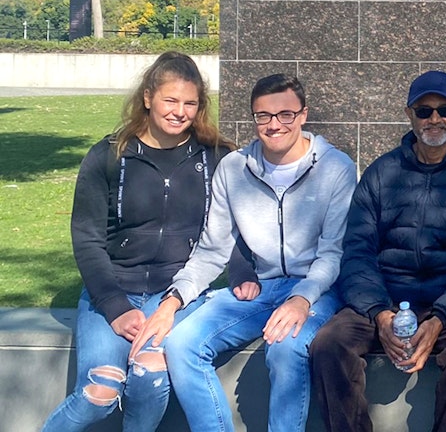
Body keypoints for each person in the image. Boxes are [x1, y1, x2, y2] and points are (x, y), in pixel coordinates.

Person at [129, 73, 357, 432]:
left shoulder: (335, 167)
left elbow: (333, 253)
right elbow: (211, 249)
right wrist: (172, 303)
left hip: (319, 290)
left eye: (285, 114)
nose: (274, 124)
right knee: (181, 343)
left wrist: (301, 299)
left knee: (285, 346)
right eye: (263, 116)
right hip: (264, 287)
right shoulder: (234, 168)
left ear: (303, 115)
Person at [43, 51, 236, 432]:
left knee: (149, 375)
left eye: (190, 103)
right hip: (113, 290)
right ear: (148, 97)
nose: (180, 112)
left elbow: (237, 228)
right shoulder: (108, 155)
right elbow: (87, 240)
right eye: (170, 100)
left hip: (176, 295)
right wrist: (115, 307)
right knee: (100, 390)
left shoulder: (217, 157)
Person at [309, 69, 446, 432]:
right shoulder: (382, 174)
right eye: (424, 111)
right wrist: (380, 313)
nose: (435, 118)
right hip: (387, 294)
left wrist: (441, 317)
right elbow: (357, 251)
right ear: (409, 115)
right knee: (328, 343)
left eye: (444, 109)